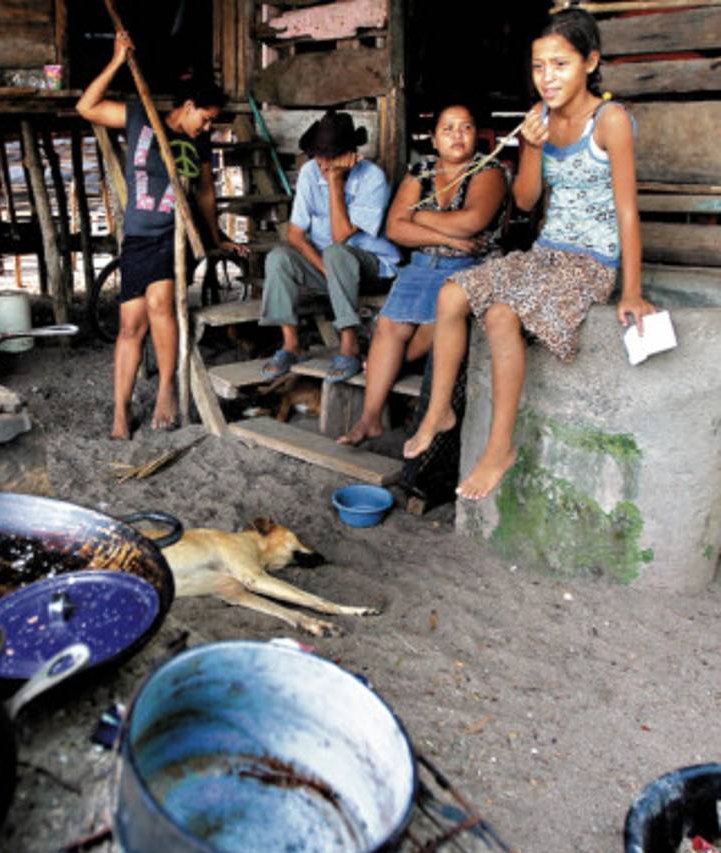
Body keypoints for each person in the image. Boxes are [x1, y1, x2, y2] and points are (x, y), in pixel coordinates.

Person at [402, 9, 656, 500]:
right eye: (539, 66)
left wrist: (632, 290)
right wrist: (532, 147)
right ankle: (439, 411)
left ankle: (499, 448)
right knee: (452, 294)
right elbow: (524, 200)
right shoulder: (539, 117)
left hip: (591, 262)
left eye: (560, 64)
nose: (547, 77)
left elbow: (628, 211)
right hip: (546, 254)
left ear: (590, 62)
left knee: (501, 314)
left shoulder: (611, 120)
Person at [76, 31, 246, 439]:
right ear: (188, 106)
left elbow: (205, 194)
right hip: (138, 235)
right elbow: (86, 107)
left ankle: (166, 388)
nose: (207, 127)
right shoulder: (141, 117)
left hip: (174, 236)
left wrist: (216, 237)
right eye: (205, 118)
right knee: (130, 324)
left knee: (160, 305)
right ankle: (121, 410)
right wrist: (117, 61)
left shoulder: (198, 146)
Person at [337, 102, 509, 447]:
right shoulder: (421, 171)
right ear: (433, 139)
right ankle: (370, 419)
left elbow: (472, 222)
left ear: (476, 134)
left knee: (431, 331)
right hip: (421, 266)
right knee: (389, 328)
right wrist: (448, 238)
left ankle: (395, 374)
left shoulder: (488, 170)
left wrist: (417, 216)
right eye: (448, 129)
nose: (457, 135)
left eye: (466, 127)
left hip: (469, 266)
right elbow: (395, 229)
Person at [258, 111, 399, 381]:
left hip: (371, 269)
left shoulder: (372, 178)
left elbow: (340, 236)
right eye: (318, 154)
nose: (323, 163)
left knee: (337, 252)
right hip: (330, 266)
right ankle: (291, 344)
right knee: (278, 257)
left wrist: (335, 181)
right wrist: (326, 270)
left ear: (351, 154)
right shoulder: (310, 172)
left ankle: (349, 345)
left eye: (331, 156)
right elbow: (295, 235)